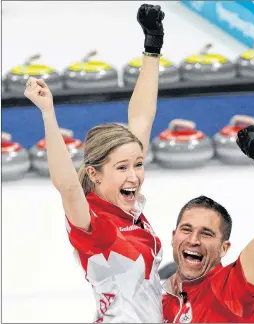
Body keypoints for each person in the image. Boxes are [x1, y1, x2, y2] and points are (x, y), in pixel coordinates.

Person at [24, 4, 165, 323]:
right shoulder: (94, 221)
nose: (135, 176)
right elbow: (67, 186)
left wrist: (152, 47)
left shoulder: (129, 208)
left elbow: (141, 118)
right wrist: (48, 114)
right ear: (94, 173)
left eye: (138, 164)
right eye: (122, 167)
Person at [162, 126, 254, 323]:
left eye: (206, 233)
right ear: (173, 236)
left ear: (224, 248)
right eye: (186, 229)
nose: (193, 240)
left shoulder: (230, 289)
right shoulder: (159, 299)